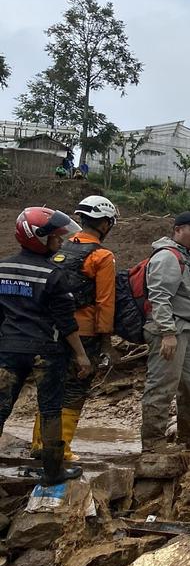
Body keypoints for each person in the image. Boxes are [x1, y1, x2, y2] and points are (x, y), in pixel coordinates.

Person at [0, 207, 92, 484]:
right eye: (55, 237)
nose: (60, 241)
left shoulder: (2, 269)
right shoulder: (53, 274)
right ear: (37, 238)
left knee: (1, 408)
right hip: (46, 352)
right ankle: (53, 471)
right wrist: (81, 355)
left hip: (7, 350)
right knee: (50, 408)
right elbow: (66, 323)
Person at [31, 196, 119, 462]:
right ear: (104, 223)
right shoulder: (102, 256)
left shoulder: (61, 248)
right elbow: (105, 303)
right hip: (84, 332)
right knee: (74, 390)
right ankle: (61, 448)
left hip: (52, 329)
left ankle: (39, 443)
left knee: (51, 387)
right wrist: (106, 343)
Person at [141, 212, 190, 452]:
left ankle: (189, 427)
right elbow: (159, 297)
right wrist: (167, 333)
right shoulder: (168, 257)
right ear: (177, 230)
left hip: (186, 329)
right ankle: (153, 441)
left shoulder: (187, 257)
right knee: (163, 385)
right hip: (170, 330)